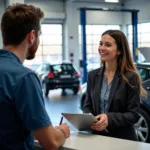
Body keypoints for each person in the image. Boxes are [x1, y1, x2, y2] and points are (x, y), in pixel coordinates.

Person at [0, 3, 70, 150]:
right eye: (39, 35)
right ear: (32, 36)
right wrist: (62, 131)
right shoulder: (24, 78)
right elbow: (50, 142)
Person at [83, 30, 147, 141]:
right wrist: (89, 119)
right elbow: (87, 106)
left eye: (108, 45)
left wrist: (109, 118)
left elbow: (134, 115)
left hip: (122, 140)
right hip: (97, 138)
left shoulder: (130, 77)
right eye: (101, 43)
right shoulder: (92, 75)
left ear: (119, 50)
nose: (102, 48)